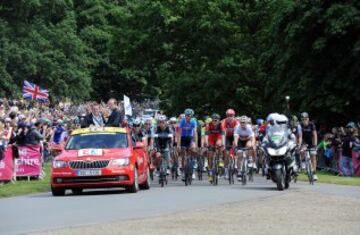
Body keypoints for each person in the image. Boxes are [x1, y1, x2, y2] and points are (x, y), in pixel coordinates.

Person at [233, 115, 256, 180]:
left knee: (249, 146)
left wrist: (253, 146)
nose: (242, 124)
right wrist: (236, 145)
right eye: (241, 122)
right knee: (239, 155)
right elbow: (236, 138)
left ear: (246, 123)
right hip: (240, 140)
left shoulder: (249, 128)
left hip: (247, 140)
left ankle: (250, 158)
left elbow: (253, 138)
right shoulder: (237, 127)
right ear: (239, 122)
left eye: (244, 122)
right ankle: (239, 171)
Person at [178, 108, 198, 180]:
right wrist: (178, 144)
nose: (187, 117)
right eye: (186, 115)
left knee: (193, 150)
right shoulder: (182, 121)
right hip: (183, 138)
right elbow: (179, 133)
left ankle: (193, 169)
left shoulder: (193, 121)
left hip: (190, 137)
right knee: (183, 155)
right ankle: (183, 172)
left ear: (191, 116)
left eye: (189, 116)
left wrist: (195, 143)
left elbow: (195, 132)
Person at [205, 113, 225, 182]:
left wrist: (223, 143)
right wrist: (206, 143)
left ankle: (220, 159)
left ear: (219, 120)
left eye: (216, 120)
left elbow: (223, 135)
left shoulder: (220, 125)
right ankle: (210, 173)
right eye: (214, 120)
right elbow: (206, 135)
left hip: (218, 138)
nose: (215, 121)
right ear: (212, 120)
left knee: (219, 145)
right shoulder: (209, 125)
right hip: (211, 139)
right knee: (210, 155)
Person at [300, 112, 318, 180]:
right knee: (302, 150)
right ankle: (303, 161)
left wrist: (315, 145)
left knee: (313, 156)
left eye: (306, 119)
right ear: (301, 120)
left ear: (308, 119)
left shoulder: (311, 124)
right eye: (303, 119)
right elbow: (299, 136)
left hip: (311, 141)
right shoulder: (300, 125)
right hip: (303, 141)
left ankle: (314, 173)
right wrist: (300, 145)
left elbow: (315, 135)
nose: (304, 120)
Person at [221, 109, 238, 179]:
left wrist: (235, 142)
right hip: (227, 137)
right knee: (226, 153)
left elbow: (236, 133)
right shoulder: (224, 121)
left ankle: (236, 166)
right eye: (228, 115)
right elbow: (223, 133)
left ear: (234, 116)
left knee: (236, 150)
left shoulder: (236, 122)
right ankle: (225, 170)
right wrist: (223, 144)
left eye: (231, 115)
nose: (229, 117)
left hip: (234, 136)